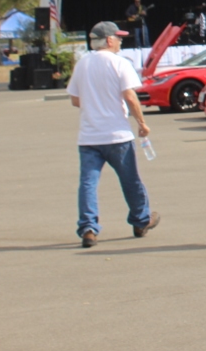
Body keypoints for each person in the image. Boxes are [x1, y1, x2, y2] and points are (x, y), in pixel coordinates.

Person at [67, 21, 161, 247]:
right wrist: (142, 122)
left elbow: (75, 99)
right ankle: (140, 220)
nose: (120, 42)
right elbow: (129, 96)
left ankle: (88, 227)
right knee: (130, 180)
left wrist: (94, 104)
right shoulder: (120, 63)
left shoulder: (82, 64)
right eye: (118, 38)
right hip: (117, 134)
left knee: (88, 183)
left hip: (89, 136)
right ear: (109, 40)